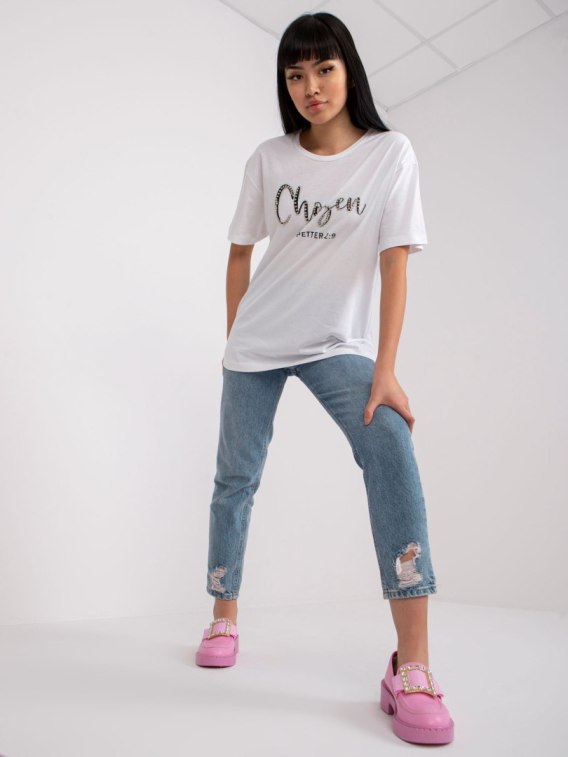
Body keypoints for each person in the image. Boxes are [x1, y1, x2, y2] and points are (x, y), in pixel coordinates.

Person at [195, 12, 455, 745]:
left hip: (338, 343)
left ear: (349, 71)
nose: (311, 86)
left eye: (324, 69)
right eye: (296, 74)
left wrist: (385, 369)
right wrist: (235, 340)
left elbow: (395, 264)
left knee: (390, 445)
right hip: (257, 343)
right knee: (235, 478)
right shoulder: (270, 158)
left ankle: (412, 666)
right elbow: (240, 253)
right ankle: (222, 613)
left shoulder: (390, 154)